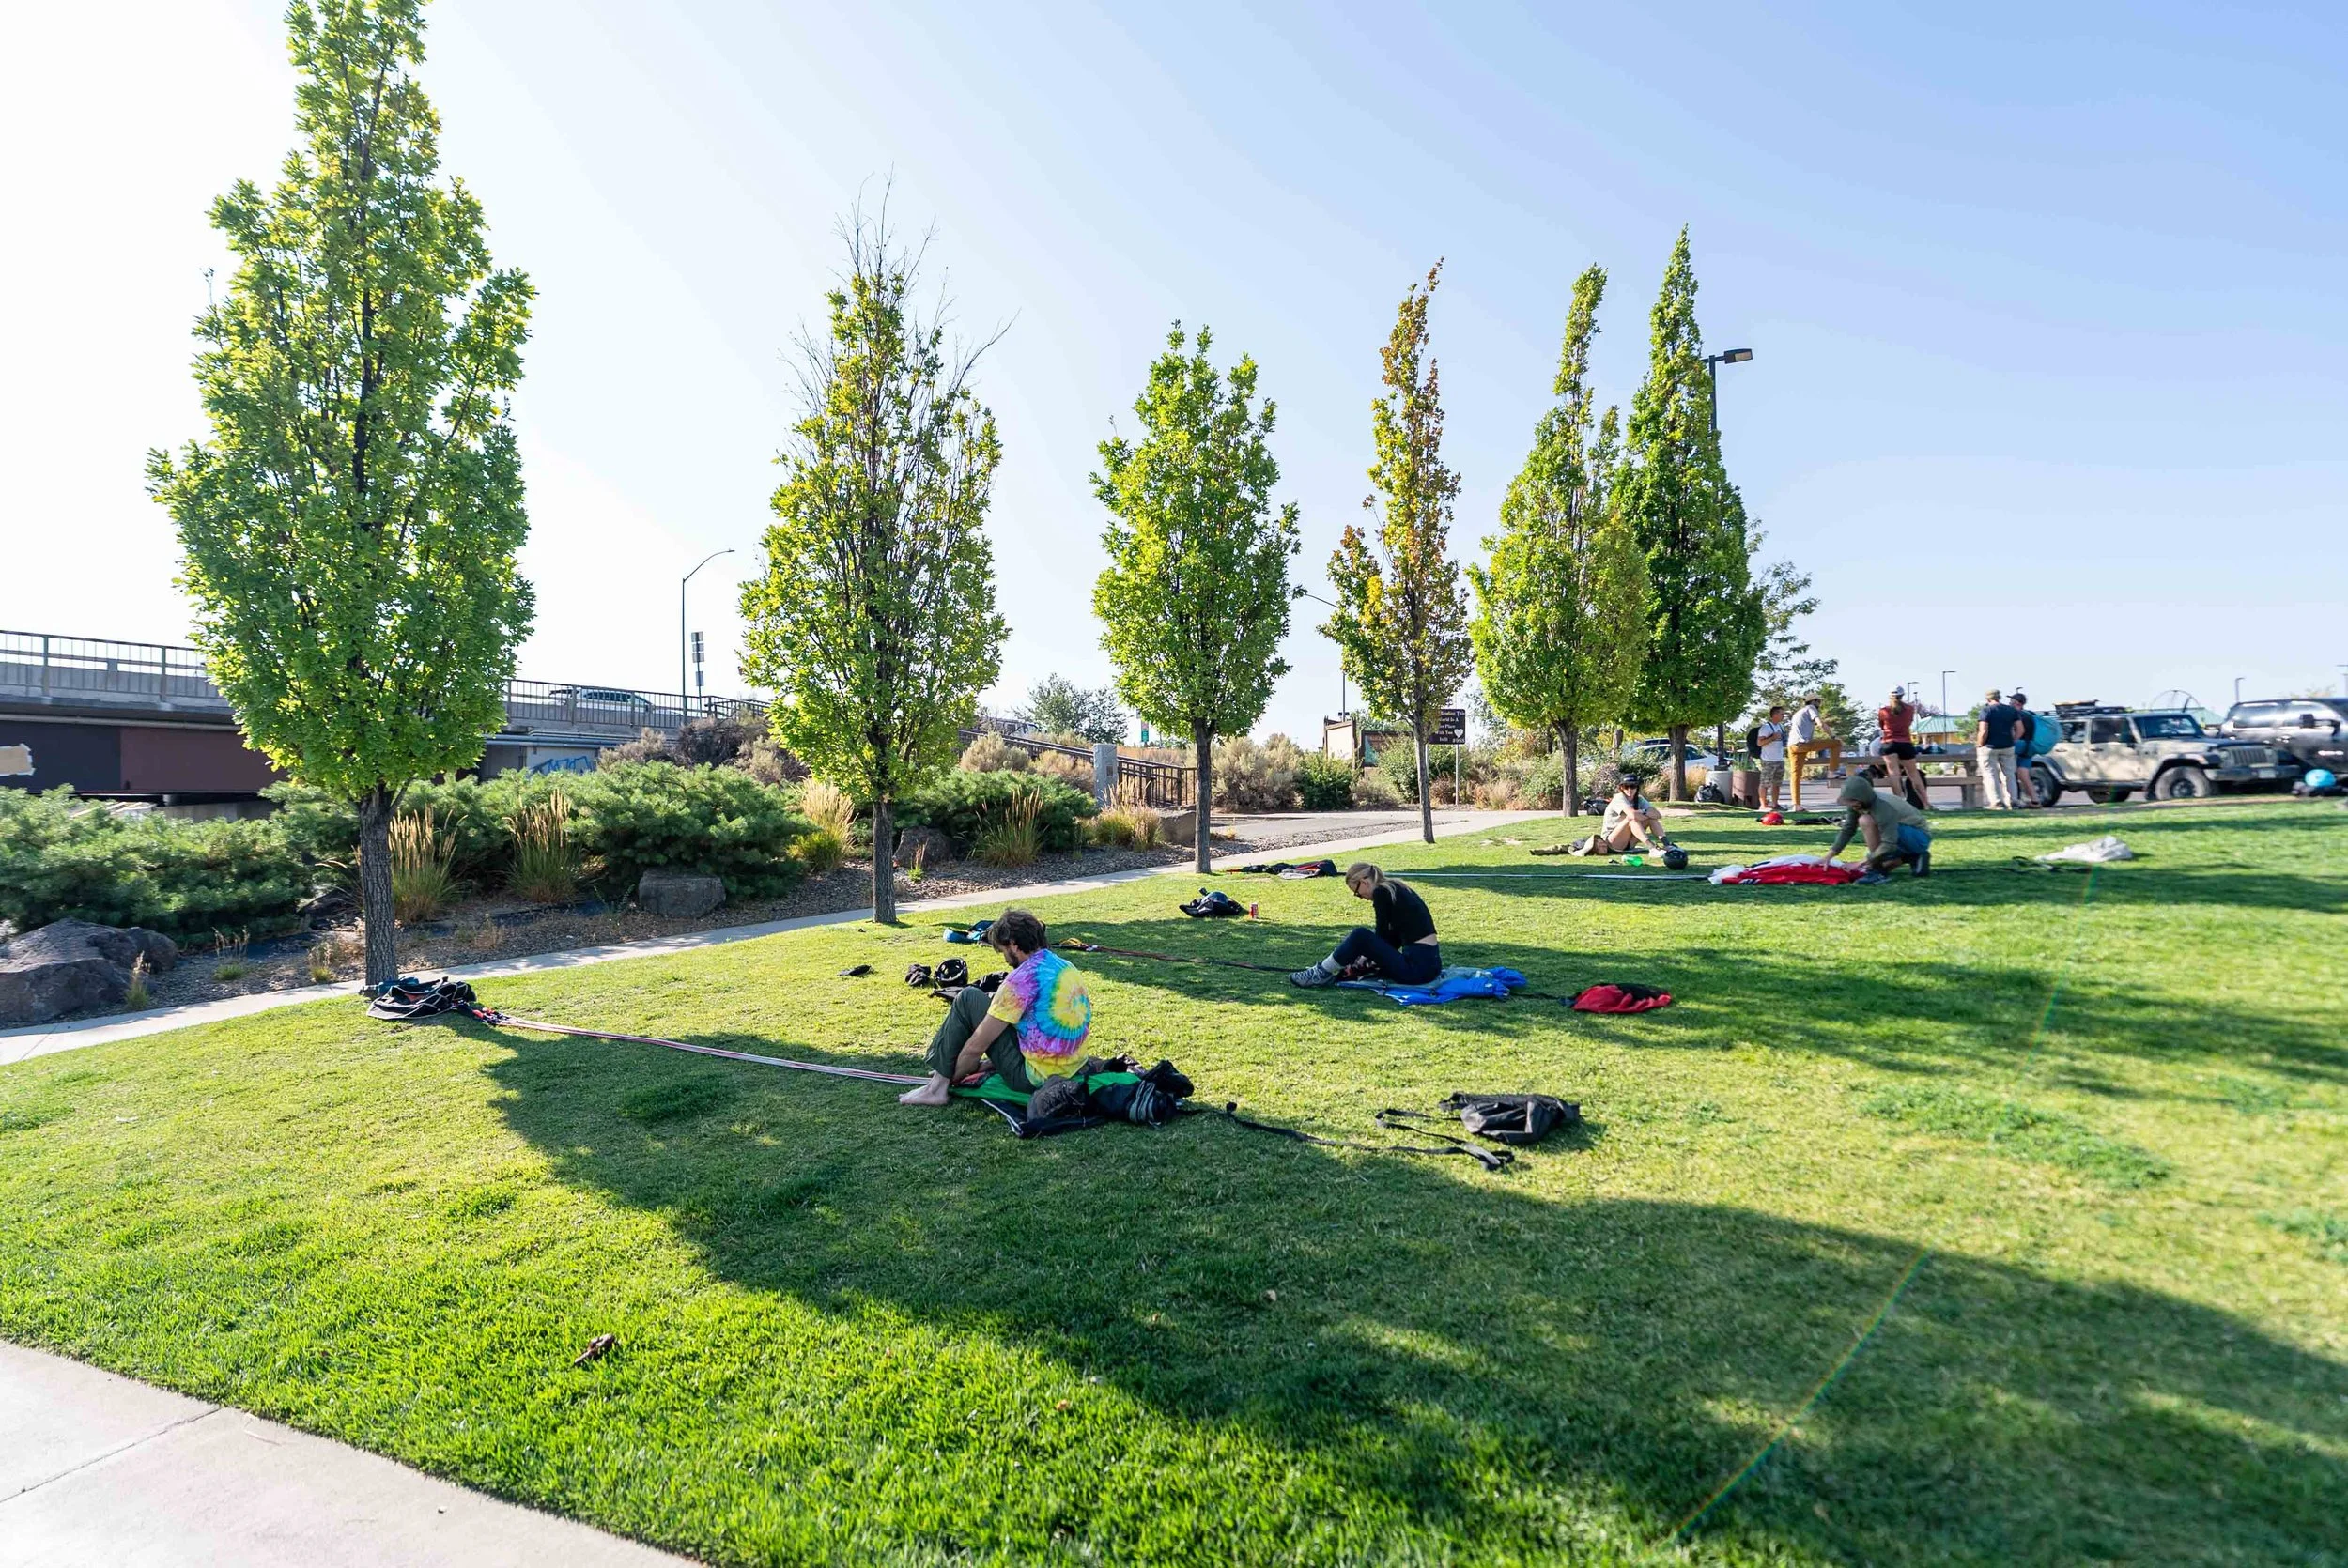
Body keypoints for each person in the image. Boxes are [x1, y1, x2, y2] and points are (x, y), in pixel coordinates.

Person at [899, 907, 1091, 1107]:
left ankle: (936, 1089)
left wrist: (952, 1077)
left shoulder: (1020, 980)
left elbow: (976, 1047)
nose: (1005, 959)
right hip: (1072, 1067)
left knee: (968, 997)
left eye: (1003, 951)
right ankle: (946, 1072)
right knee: (994, 1011)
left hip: (1034, 1079)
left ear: (1013, 944)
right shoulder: (1064, 966)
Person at [1289, 863, 1440, 988]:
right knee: (1361, 940)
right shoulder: (1396, 888)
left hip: (1416, 971)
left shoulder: (1381, 892)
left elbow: (1381, 937)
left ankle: (1321, 972)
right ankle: (1326, 969)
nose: (1360, 897)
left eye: (1357, 893)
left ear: (1364, 883)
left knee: (1360, 935)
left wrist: (1362, 956)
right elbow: (1392, 940)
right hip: (1429, 968)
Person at [1825, 773, 1933, 875]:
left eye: (1854, 802)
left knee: (1865, 820)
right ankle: (1912, 857)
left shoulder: (1883, 806)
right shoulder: (1857, 804)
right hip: (1902, 837)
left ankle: (1876, 869)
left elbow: (1889, 844)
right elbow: (1848, 829)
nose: (1852, 806)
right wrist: (1828, 857)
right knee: (1871, 867)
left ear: (1862, 798)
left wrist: (1862, 862)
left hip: (1918, 837)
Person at [1876, 686, 1930, 810]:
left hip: (1889, 743)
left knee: (1894, 774)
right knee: (1914, 775)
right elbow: (1909, 722)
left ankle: (1899, 804)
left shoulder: (1883, 711)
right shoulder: (1910, 709)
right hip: (1905, 743)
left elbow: (1882, 726)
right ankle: (1926, 803)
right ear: (1902, 695)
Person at [1786, 694, 1842, 810]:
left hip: (1792, 745)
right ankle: (1832, 772)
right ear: (1813, 701)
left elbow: (1800, 730)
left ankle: (1796, 805)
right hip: (1803, 744)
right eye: (1819, 701)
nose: (1820, 704)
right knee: (1836, 743)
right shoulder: (1810, 708)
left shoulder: (1798, 713)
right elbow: (1820, 724)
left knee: (1795, 775)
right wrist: (1833, 736)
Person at [1975, 686, 2024, 809]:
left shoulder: (1986, 711)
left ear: (1988, 699)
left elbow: (1983, 731)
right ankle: (2013, 801)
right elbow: (2020, 729)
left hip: (1990, 747)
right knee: (2009, 775)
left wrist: (1979, 744)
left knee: (1990, 774)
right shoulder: (2011, 710)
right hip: (2007, 746)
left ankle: (1997, 802)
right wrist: (2013, 740)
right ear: (1999, 697)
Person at [2008, 689, 2041, 807]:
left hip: (2018, 745)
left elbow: (2017, 731)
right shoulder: (2030, 714)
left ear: (2017, 703)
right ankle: (2035, 800)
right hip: (2029, 746)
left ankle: (2014, 800)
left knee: (2010, 773)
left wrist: (2013, 741)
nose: (2009, 703)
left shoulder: (2014, 714)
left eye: (2011, 701)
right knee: (2024, 775)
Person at [1754, 704, 1790, 811]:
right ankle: (1763, 805)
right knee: (1765, 783)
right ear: (1775, 715)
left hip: (1779, 759)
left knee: (1776, 784)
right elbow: (1759, 743)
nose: (1783, 716)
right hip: (1768, 760)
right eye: (1781, 714)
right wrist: (1772, 738)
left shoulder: (1780, 727)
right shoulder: (1766, 727)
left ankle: (1775, 804)